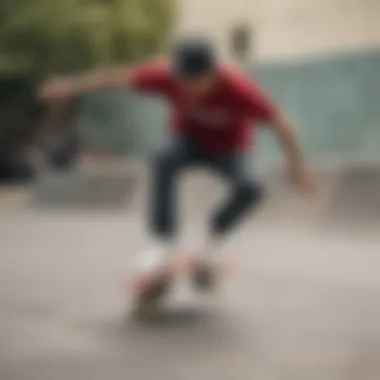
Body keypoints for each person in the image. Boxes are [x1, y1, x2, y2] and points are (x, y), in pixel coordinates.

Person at [39, 36, 315, 291]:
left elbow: (281, 123)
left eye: (196, 81)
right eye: (183, 80)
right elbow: (118, 77)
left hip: (231, 150)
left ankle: (213, 240)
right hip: (187, 142)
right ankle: (163, 242)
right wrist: (71, 87)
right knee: (163, 156)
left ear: (214, 73)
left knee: (252, 187)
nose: (188, 87)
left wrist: (297, 166)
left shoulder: (240, 88)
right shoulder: (165, 76)